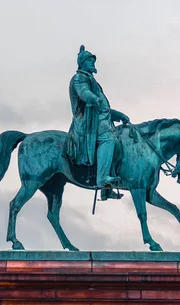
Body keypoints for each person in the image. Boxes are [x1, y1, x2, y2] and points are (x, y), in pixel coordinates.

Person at [64, 45, 130, 200]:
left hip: (98, 121)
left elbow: (103, 108)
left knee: (118, 142)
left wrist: (118, 114)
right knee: (109, 139)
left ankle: (107, 189)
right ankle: (102, 179)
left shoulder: (92, 80)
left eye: (93, 61)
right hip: (87, 123)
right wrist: (93, 98)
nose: (93, 63)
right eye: (90, 61)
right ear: (82, 63)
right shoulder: (79, 78)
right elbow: (84, 93)